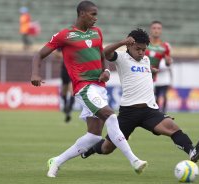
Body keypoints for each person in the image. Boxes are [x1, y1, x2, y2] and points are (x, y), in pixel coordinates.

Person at [31, 1, 147, 178]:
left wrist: (106, 70)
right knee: (111, 116)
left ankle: (57, 161)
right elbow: (39, 55)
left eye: (96, 14)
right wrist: (35, 74)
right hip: (84, 87)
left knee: (93, 136)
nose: (96, 18)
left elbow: (101, 55)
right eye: (93, 14)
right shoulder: (65, 35)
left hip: (99, 87)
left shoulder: (97, 32)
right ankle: (134, 161)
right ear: (82, 14)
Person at [81, 28, 199, 165]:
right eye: (138, 49)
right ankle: (91, 149)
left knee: (172, 127)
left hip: (149, 111)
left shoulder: (146, 60)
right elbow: (105, 53)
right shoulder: (121, 57)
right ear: (129, 45)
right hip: (128, 112)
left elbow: (142, 74)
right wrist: (123, 42)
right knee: (107, 148)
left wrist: (151, 70)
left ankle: (192, 152)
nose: (141, 52)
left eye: (143, 49)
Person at [145, 21, 173, 112]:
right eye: (154, 28)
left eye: (158, 28)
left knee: (156, 98)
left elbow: (168, 63)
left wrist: (168, 62)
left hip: (154, 78)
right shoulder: (144, 43)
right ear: (150, 29)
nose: (156, 30)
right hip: (141, 75)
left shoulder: (165, 46)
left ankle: (160, 114)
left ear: (161, 31)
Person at [55, 49, 75, 123]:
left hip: (73, 69)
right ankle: (66, 108)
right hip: (64, 70)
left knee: (71, 90)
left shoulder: (77, 43)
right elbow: (57, 54)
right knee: (64, 92)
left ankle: (69, 109)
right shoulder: (63, 43)